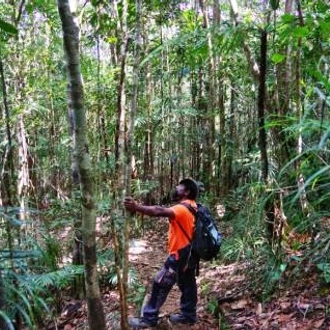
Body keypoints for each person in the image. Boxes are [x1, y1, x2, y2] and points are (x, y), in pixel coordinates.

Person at [124, 178, 199, 328]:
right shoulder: (193, 206)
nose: (176, 188)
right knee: (188, 284)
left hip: (180, 255)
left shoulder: (182, 209)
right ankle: (188, 316)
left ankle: (149, 319)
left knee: (160, 283)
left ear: (186, 192)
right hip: (190, 254)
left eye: (179, 187)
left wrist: (136, 207)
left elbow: (158, 211)